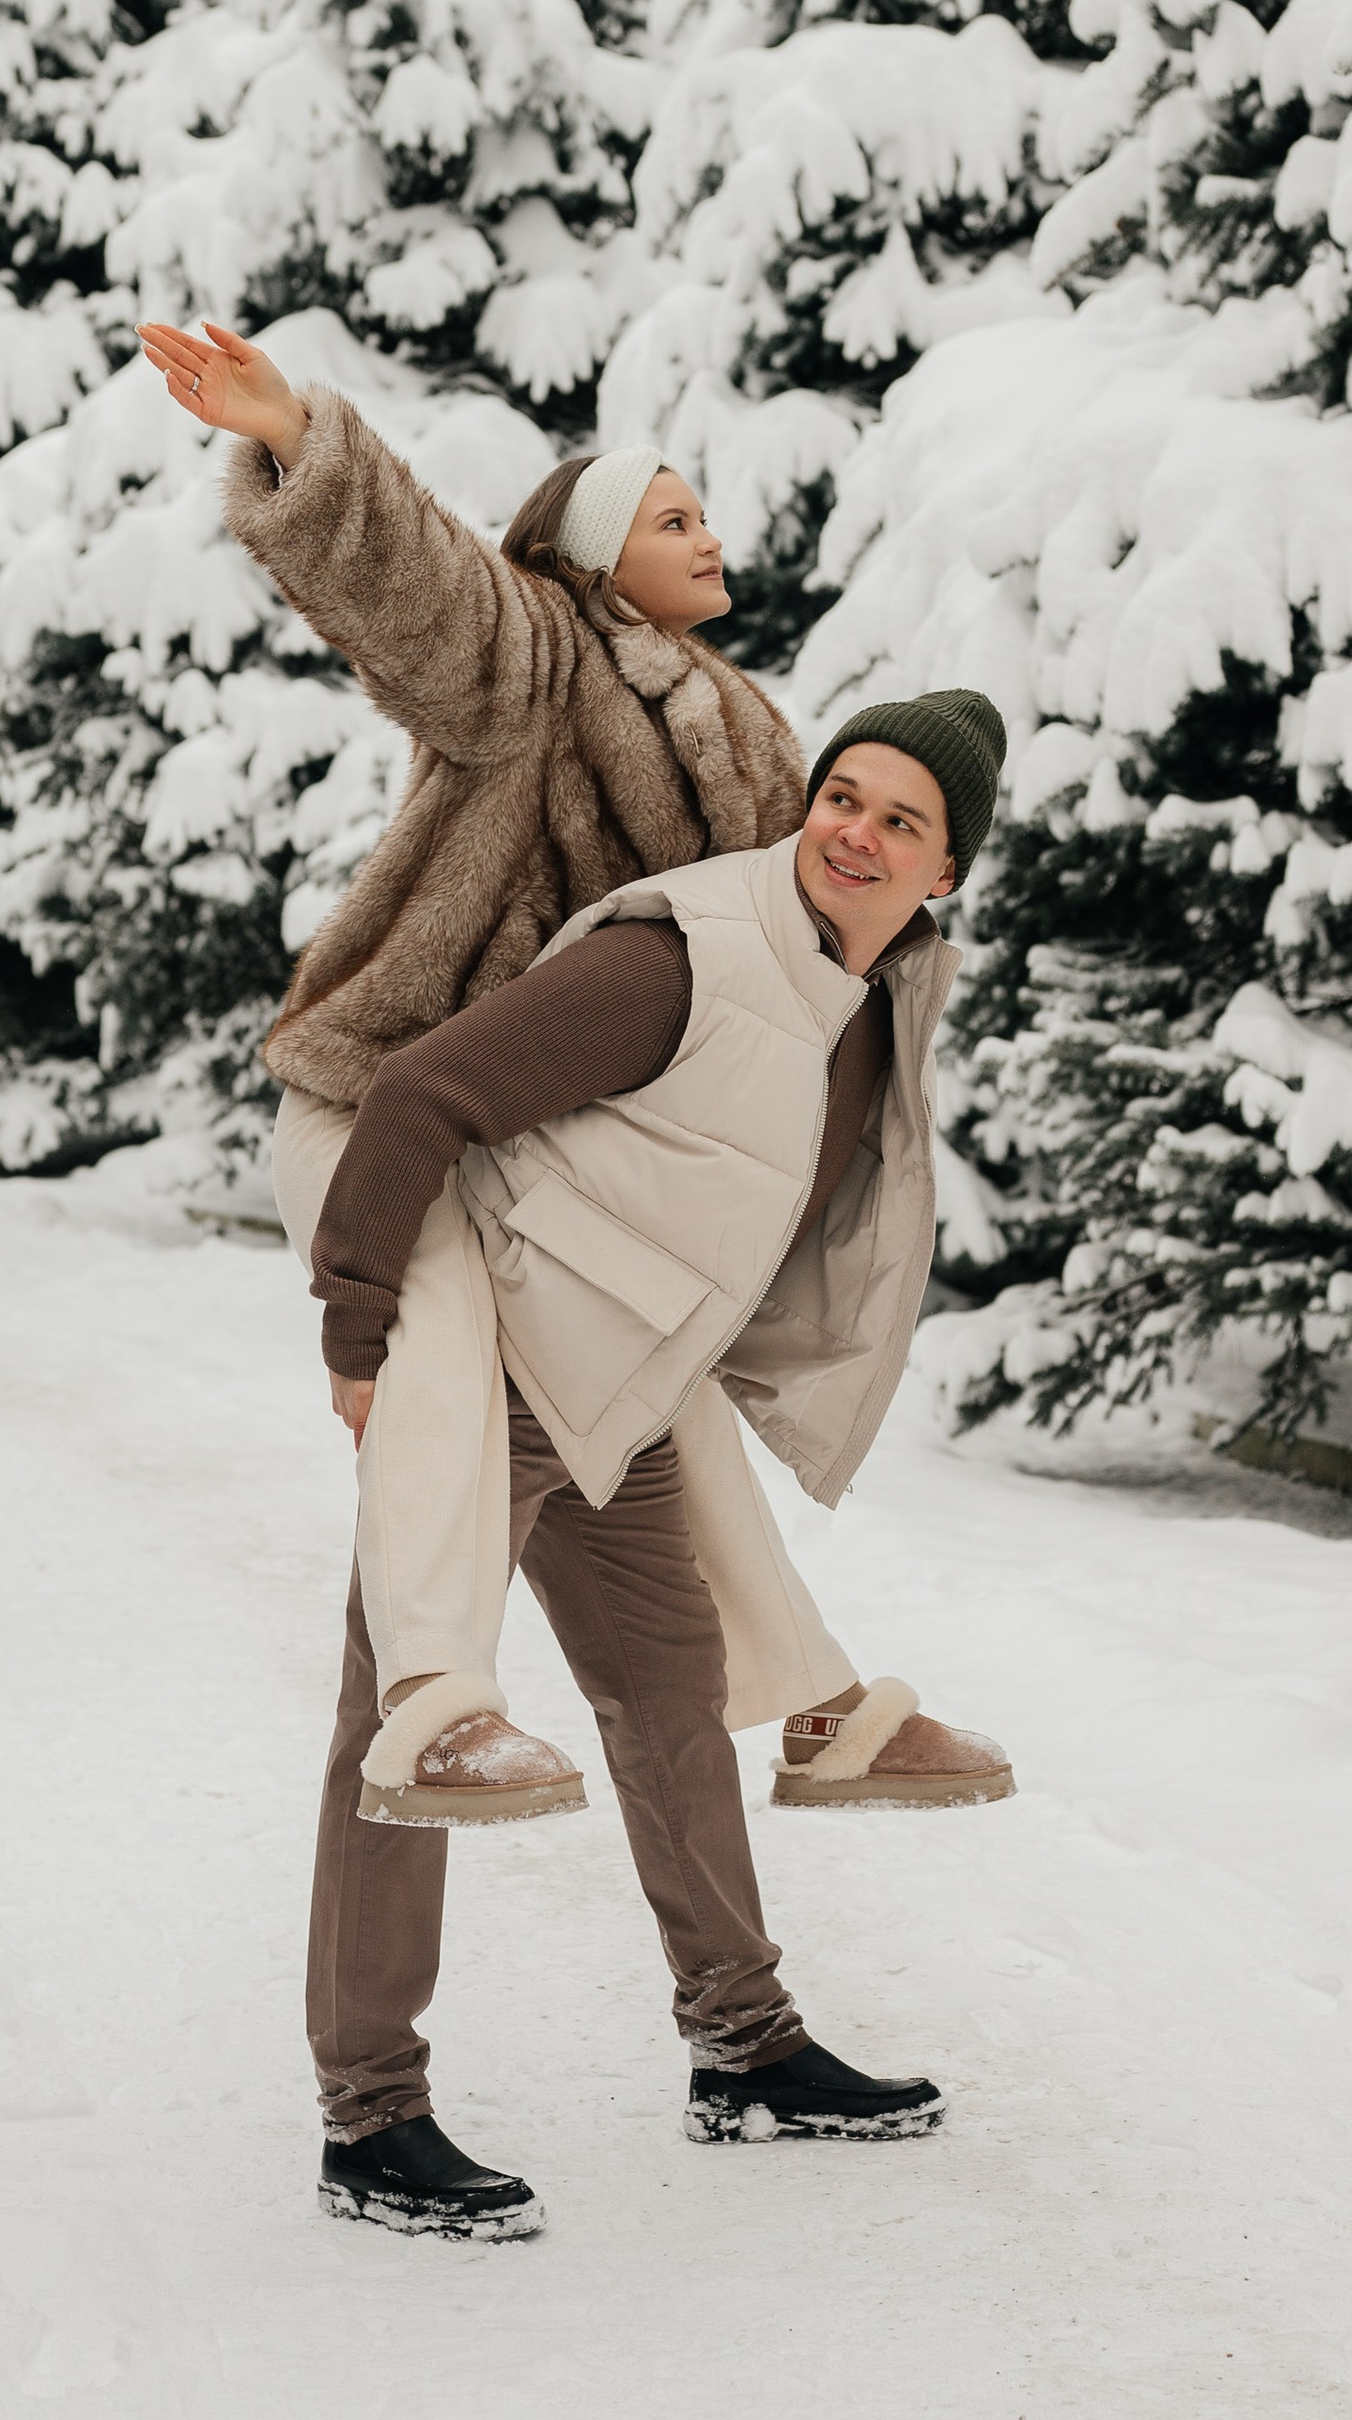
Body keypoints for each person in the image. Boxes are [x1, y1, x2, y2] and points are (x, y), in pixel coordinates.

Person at [136, 314, 1013, 1836]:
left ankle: (818, 1707)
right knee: (440, 1321)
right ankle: (434, 1702)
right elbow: (422, 584)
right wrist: (300, 443)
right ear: (602, 553)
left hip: (541, 1152)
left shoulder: (750, 735)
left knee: (666, 1381)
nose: (710, 534)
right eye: (673, 517)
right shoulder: (531, 660)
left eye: (704, 510)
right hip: (391, 1102)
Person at [298, 710, 1007, 2236]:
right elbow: (424, 1098)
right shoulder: (687, 956)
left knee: (673, 1691)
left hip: (612, 1390)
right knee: (407, 1724)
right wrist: (362, 1326)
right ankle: (371, 2119)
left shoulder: (872, 989)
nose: (853, 834)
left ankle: (744, 2049)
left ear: (949, 868)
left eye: (899, 821)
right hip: (487, 1369)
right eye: (841, 797)